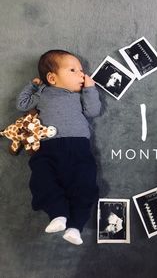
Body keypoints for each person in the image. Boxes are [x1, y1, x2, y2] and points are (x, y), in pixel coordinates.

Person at [16, 50, 101, 245]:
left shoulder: (77, 96)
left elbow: (93, 111)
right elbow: (21, 104)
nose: (82, 74)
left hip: (79, 147)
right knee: (41, 179)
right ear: (52, 78)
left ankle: (75, 226)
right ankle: (58, 214)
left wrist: (90, 90)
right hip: (47, 147)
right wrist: (32, 86)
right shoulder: (42, 93)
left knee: (85, 185)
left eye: (82, 70)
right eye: (73, 70)